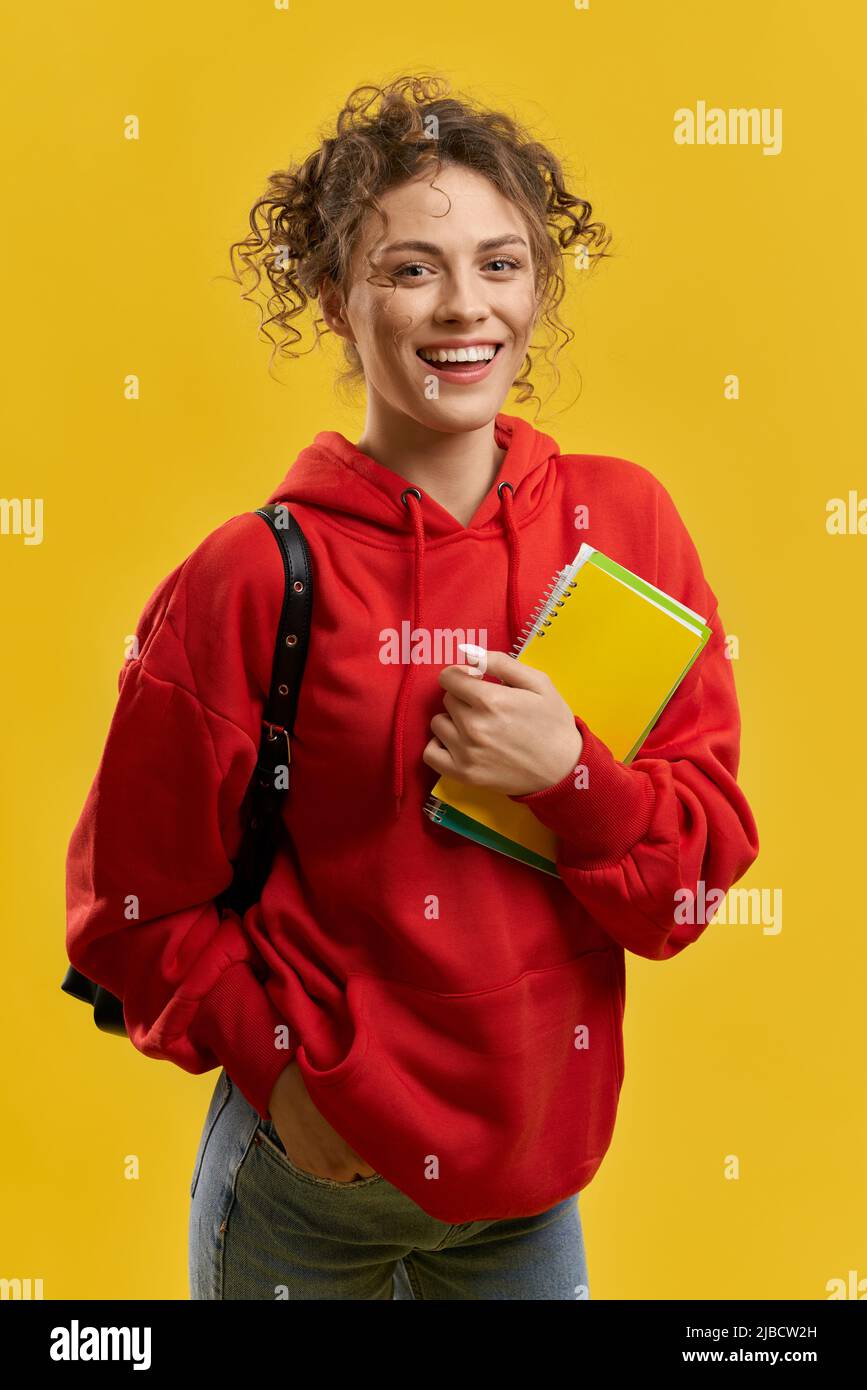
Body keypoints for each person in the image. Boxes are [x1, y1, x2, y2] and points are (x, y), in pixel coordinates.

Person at [65, 73, 760, 1300]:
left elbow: (685, 893)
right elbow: (130, 906)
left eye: (500, 265)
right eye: (410, 269)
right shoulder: (253, 574)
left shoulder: (626, 530)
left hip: (530, 1191)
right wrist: (280, 1077)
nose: (463, 308)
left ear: (538, 287)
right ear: (335, 298)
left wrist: (571, 779)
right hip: (311, 1185)